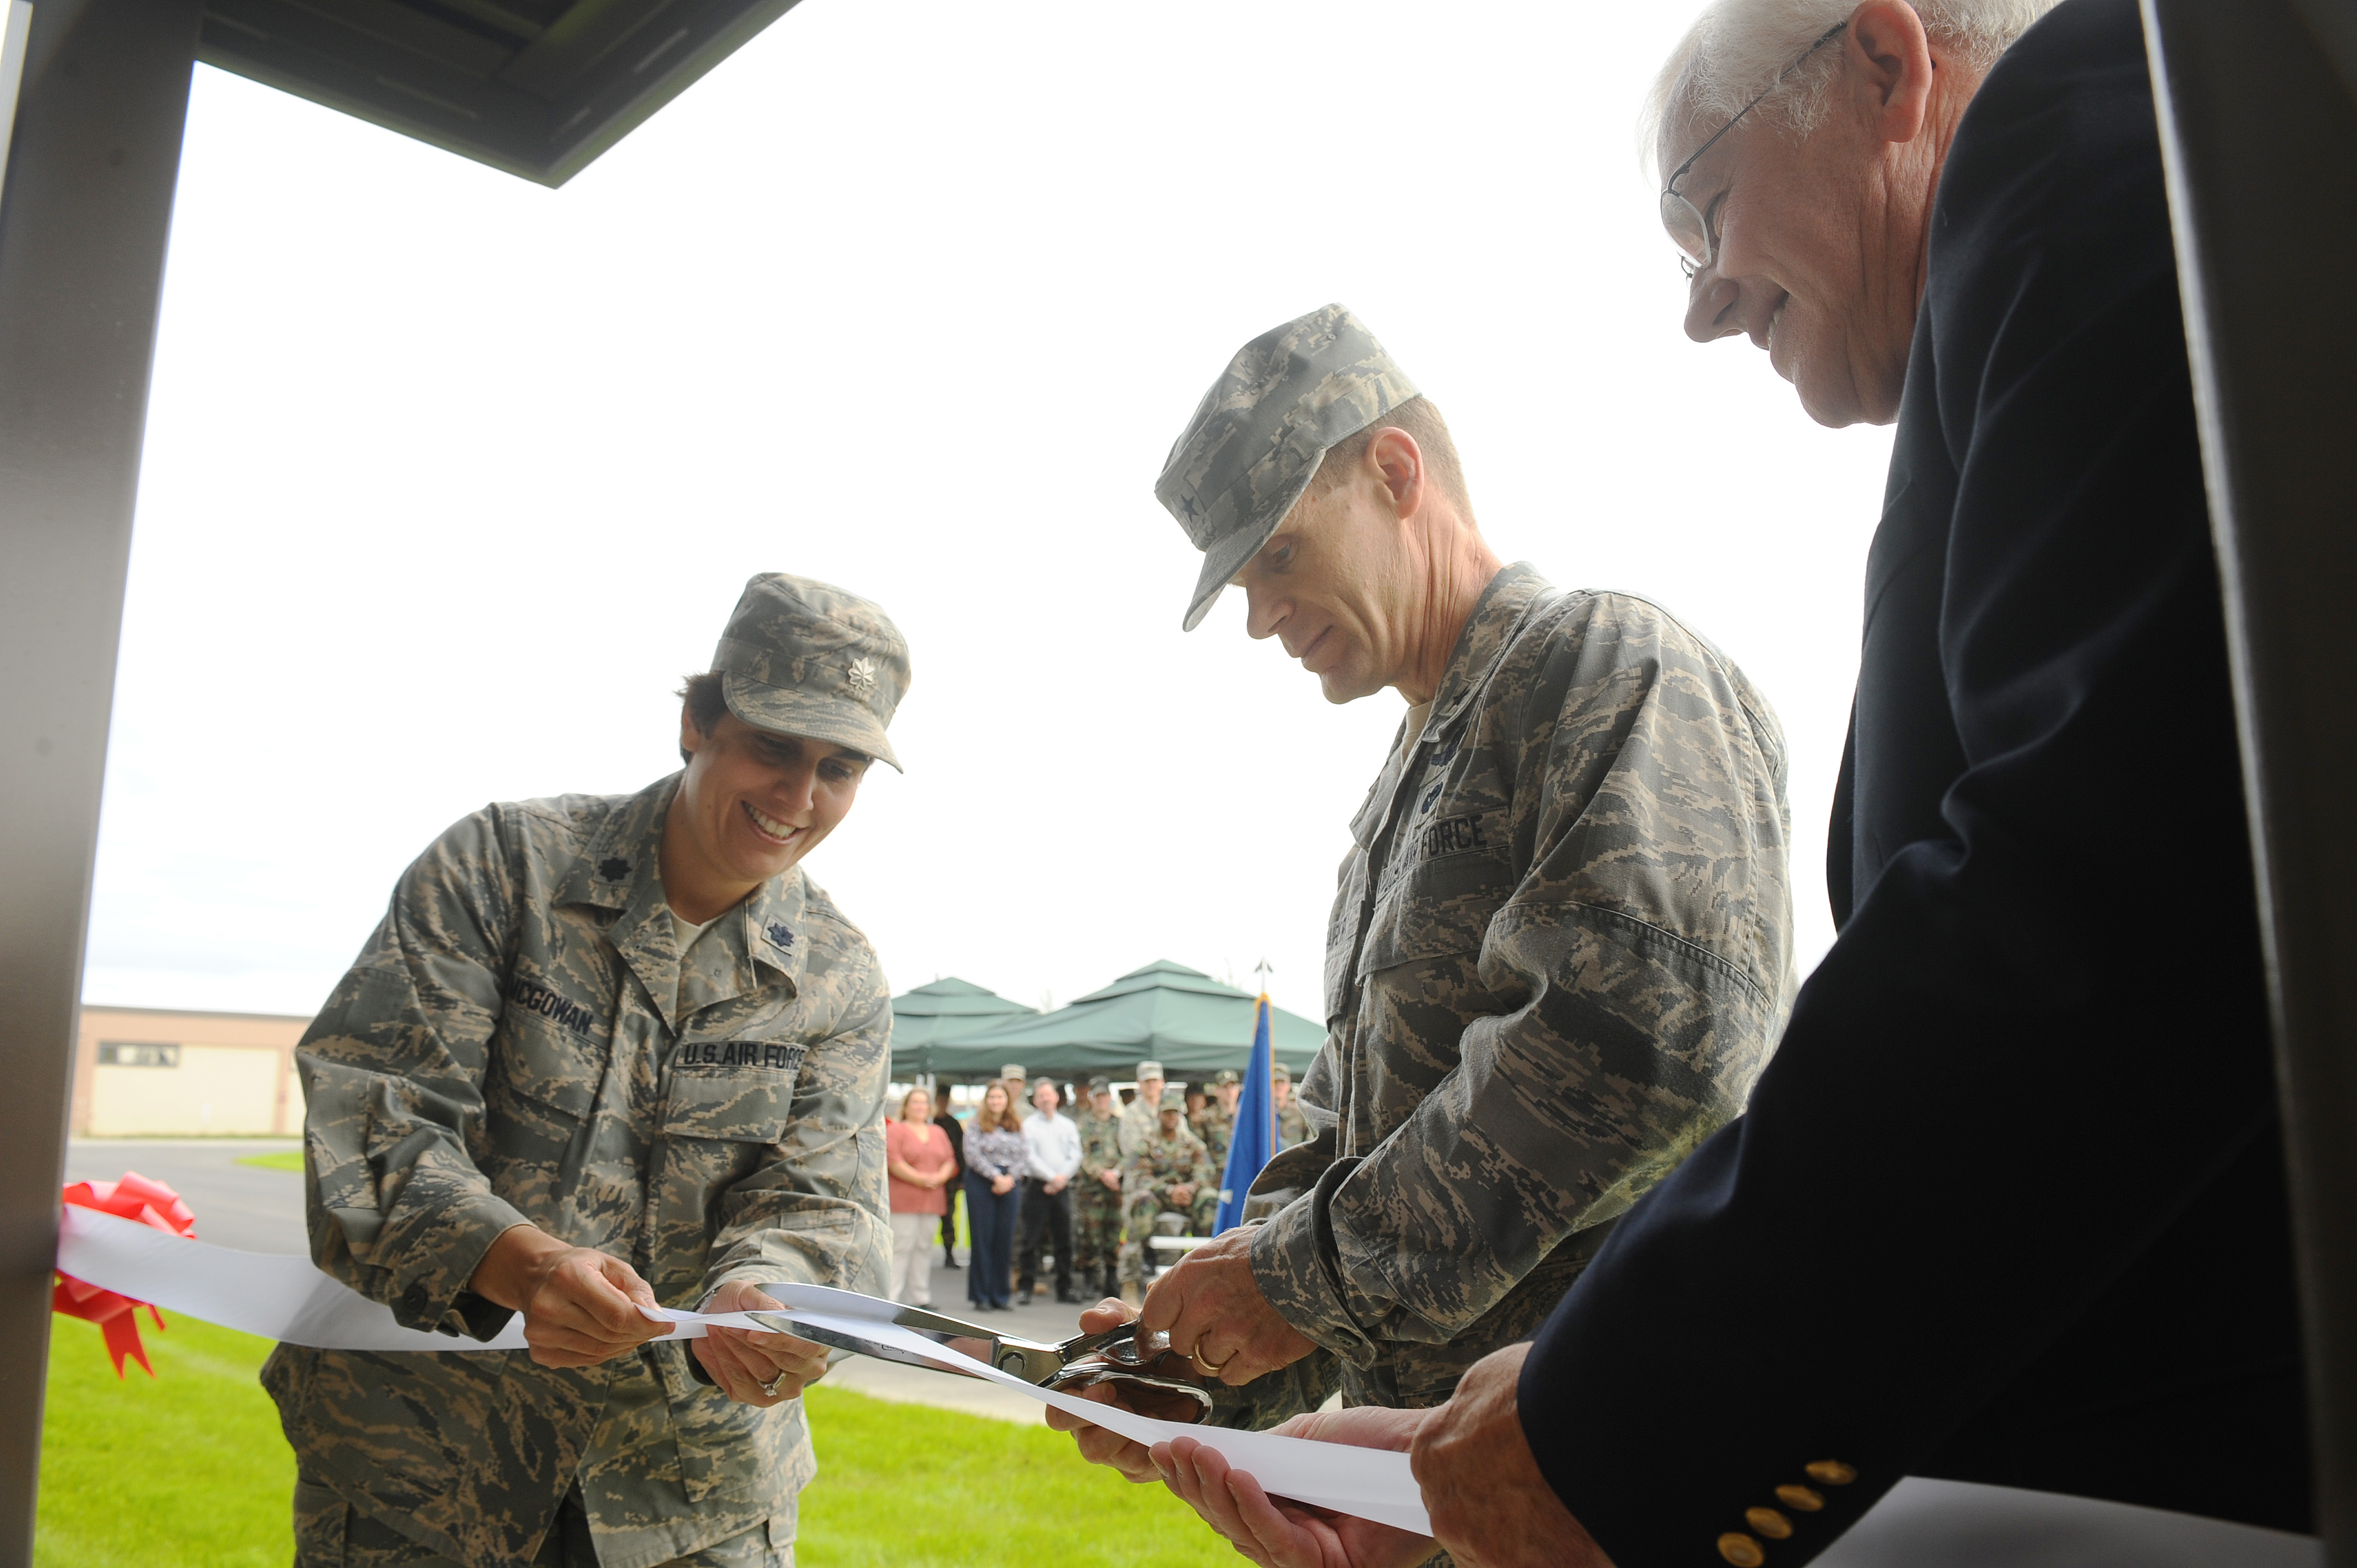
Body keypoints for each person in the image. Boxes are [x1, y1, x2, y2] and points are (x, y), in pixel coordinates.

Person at [1152, 3, 2315, 1566]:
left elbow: (2079, 909)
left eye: (1702, 210)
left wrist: (1598, 1425)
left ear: (1889, 68)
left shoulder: (2084, 140)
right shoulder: (1408, 776)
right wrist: (1245, 1311)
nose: (1700, 305)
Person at [1053, 304, 1795, 1483]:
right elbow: (1351, 1144)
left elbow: (1648, 1043)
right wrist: (1203, 1361)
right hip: (1443, 1492)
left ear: (1395, 471)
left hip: (1616, 1480)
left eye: (1280, 556)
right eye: (1243, 582)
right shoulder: (1395, 800)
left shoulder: (1602, 662)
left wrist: (1292, 1281)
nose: (1261, 620)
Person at [267, 573, 907, 1568]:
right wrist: (524, 1266)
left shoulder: (837, 975)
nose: (798, 796)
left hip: (692, 1502)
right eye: (774, 746)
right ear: (697, 720)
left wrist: (773, 1295)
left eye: (841, 766)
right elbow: (373, 1117)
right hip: (427, 1476)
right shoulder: (503, 867)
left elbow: (829, 1203)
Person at [1123, 1088, 1219, 1287]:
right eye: (1167, 1112)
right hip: (1159, 1197)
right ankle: (1139, 1267)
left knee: (1210, 1198)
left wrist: (1191, 1188)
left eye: (1175, 1113)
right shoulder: (1147, 1143)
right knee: (1141, 1199)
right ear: (1159, 1114)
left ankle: (1203, 1261)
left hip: (1187, 1197)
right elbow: (1139, 1176)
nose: (1172, 1117)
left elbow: (1206, 1170)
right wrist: (1169, 1190)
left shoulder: (1191, 1142)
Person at [1014, 1077, 1084, 1304]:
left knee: (1064, 1238)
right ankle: (1026, 1286)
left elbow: (1075, 1155)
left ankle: (1065, 1287)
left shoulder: (1067, 1125)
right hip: (1037, 1186)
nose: (1046, 1099)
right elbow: (1030, 1157)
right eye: (1041, 1096)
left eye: (1049, 1095)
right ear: (1035, 1100)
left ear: (1056, 1097)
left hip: (1062, 1187)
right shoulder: (1029, 1126)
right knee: (1030, 1240)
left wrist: (1061, 1178)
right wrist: (1052, 1178)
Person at [885, 1086, 956, 1306]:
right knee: (901, 1247)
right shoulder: (896, 1130)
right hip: (904, 1199)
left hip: (932, 1199)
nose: (919, 1107)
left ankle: (920, 1297)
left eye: (923, 1103)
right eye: (915, 1102)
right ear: (906, 1106)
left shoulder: (937, 1132)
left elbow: (950, 1160)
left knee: (924, 1247)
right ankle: (891, 1296)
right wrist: (919, 1178)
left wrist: (939, 1177)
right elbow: (893, 1159)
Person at [959, 1080, 1025, 1312]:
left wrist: (1009, 1179)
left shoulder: (1016, 1125)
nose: (996, 1102)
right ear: (986, 1101)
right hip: (982, 1181)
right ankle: (981, 1295)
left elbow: (1025, 1155)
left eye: (1000, 1097)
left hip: (1010, 1183)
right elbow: (972, 1154)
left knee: (1004, 1239)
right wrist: (996, 1177)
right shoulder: (977, 1125)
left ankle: (1001, 1295)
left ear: (1007, 1101)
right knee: (982, 1239)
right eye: (992, 1098)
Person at [1073, 1076, 1128, 1302]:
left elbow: (1129, 1153)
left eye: (1105, 1096)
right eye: (1097, 1096)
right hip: (1092, 1188)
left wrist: (1115, 1173)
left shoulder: (1120, 1124)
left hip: (1115, 1187)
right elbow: (1081, 1155)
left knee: (1113, 1234)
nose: (1101, 1100)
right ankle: (1089, 1277)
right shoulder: (1083, 1124)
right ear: (1092, 1099)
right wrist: (1101, 1174)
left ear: (1110, 1098)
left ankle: (1112, 1279)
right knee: (1091, 1235)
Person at [933, 1092, 966, 1270]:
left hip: (950, 1178)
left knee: (948, 1215)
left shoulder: (953, 1124)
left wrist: (961, 1177)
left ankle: (949, 1253)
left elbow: (961, 1152)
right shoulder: (930, 1122)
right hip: (929, 1176)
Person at [1116, 1060, 1166, 1159]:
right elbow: (1129, 1150)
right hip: (1142, 1168)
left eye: (1155, 1080)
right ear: (1139, 1083)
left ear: (1162, 1082)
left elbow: (1184, 1140)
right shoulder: (1131, 1113)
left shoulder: (1171, 1110)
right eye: (1147, 1081)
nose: (1151, 1085)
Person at [1192, 1069, 1240, 1174]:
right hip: (1218, 1175)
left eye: (1233, 1087)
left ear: (1238, 1089)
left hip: (1243, 1174)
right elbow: (1199, 1150)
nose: (1230, 1092)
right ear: (1217, 1091)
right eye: (1225, 1088)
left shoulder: (1246, 1118)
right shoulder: (1206, 1119)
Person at [1269, 1063, 1308, 1150]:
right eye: (1275, 1083)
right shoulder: (1262, 1114)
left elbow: (1311, 1141)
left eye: (1282, 1083)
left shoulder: (1300, 1114)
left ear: (1288, 1085)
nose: (1279, 1087)